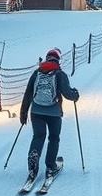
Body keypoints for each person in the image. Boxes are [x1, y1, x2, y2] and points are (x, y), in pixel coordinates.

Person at [20, 48, 79, 181]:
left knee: (38, 136)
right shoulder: (59, 74)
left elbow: (28, 93)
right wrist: (75, 95)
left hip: (36, 111)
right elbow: (67, 94)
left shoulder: (37, 73)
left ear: (47, 59)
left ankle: (34, 157)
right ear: (58, 59)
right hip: (54, 113)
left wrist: (23, 113)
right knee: (54, 138)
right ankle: (50, 165)